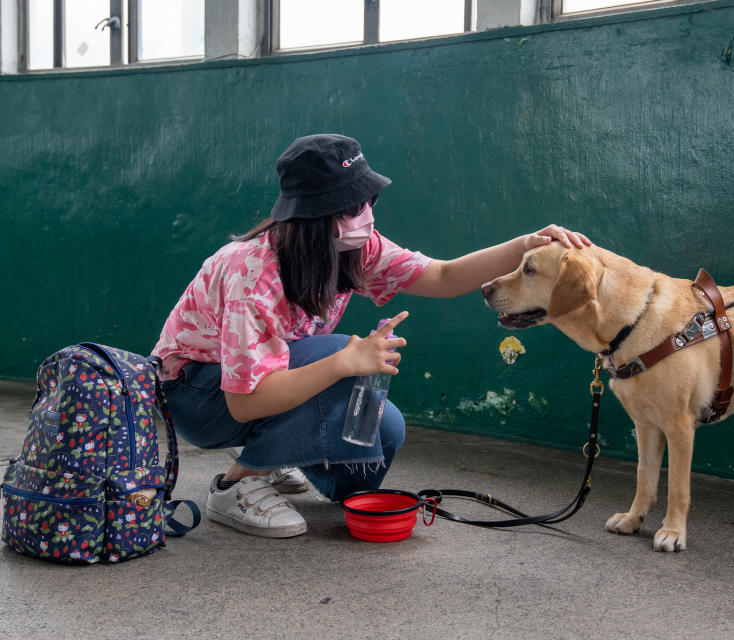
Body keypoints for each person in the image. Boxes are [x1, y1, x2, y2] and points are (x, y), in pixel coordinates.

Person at [152, 134, 590, 538]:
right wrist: (345, 362)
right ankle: (236, 485)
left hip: (267, 380)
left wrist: (524, 246)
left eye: (366, 200)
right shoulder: (252, 273)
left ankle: (277, 458)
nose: (365, 215)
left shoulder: (355, 248)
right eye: (348, 206)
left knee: (383, 430)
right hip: (199, 394)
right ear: (310, 216)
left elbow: (443, 275)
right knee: (340, 354)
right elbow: (244, 400)